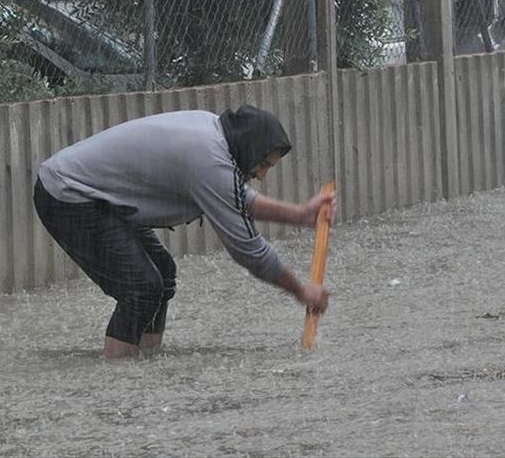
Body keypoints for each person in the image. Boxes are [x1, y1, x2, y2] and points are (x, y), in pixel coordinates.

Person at [32, 104, 335, 359]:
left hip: (94, 196)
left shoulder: (214, 134)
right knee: (141, 288)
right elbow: (249, 251)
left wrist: (300, 215)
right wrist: (301, 291)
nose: (261, 174)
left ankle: (146, 364)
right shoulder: (208, 160)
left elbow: (235, 197)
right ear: (250, 148)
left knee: (162, 273)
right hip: (67, 196)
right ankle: (117, 384)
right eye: (262, 163)